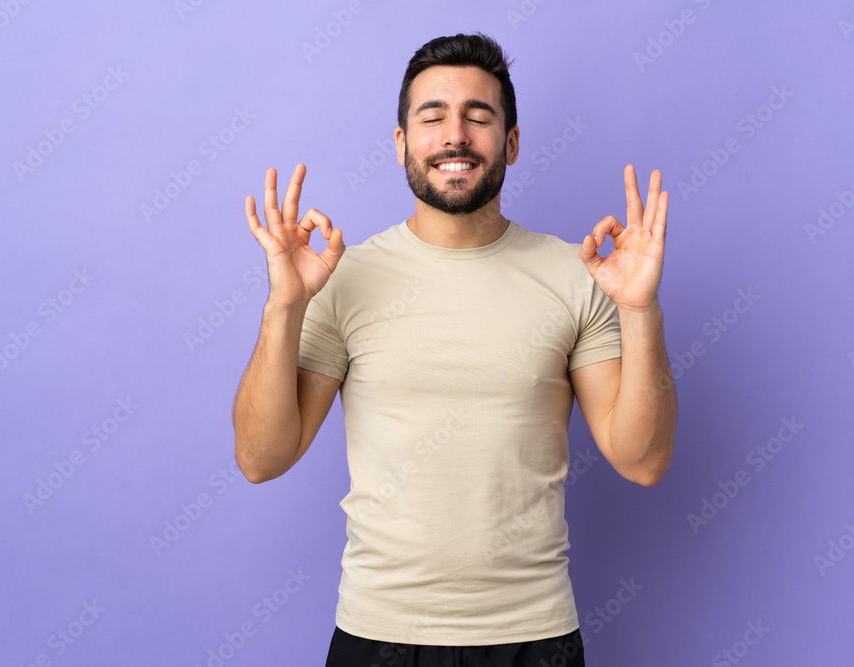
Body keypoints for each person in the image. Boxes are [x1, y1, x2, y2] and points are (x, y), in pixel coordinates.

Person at [232, 32, 677, 667]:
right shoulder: (339, 278)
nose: (455, 136)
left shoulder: (577, 275)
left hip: (534, 636)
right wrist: (284, 306)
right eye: (432, 116)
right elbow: (259, 458)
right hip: (378, 633)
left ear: (511, 143)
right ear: (401, 143)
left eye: (479, 116)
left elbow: (644, 460)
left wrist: (639, 310)